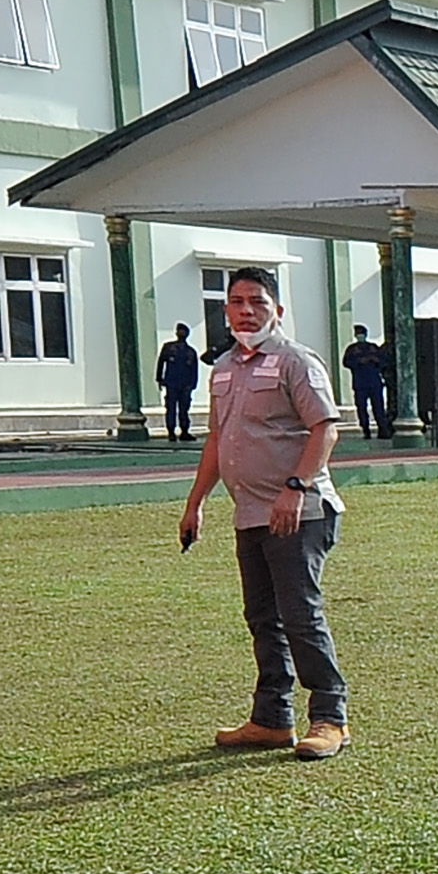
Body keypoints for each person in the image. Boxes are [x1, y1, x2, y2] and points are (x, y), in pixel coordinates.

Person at [181, 268, 348, 760]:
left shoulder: (296, 361)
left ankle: (331, 717)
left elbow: (325, 429)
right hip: (250, 514)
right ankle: (272, 719)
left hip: (300, 512)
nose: (246, 310)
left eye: (257, 301)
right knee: (262, 617)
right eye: (236, 302)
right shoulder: (224, 369)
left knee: (300, 614)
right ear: (226, 310)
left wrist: (295, 488)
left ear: (278, 310)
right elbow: (218, 440)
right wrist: (196, 502)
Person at [343, 324, 392, 439]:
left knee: (378, 407)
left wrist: (375, 361)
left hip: (374, 382)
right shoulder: (352, 349)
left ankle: (382, 429)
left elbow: (384, 362)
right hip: (360, 383)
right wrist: (360, 361)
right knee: (362, 408)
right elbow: (347, 362)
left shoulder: (373, 347)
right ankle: (365, 429)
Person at [154, 324, 202, 441]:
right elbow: (161, 363)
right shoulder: (168, 347)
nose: (181, 334)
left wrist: (193, 384)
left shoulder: (191, 352)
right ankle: (171, 431)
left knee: (184, 408)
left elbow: (194, 369)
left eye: (184, 332)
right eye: (180, 332)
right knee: (171, 407)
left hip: (185, 384)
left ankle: (184, 430)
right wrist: (159, 378)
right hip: (172, 382)